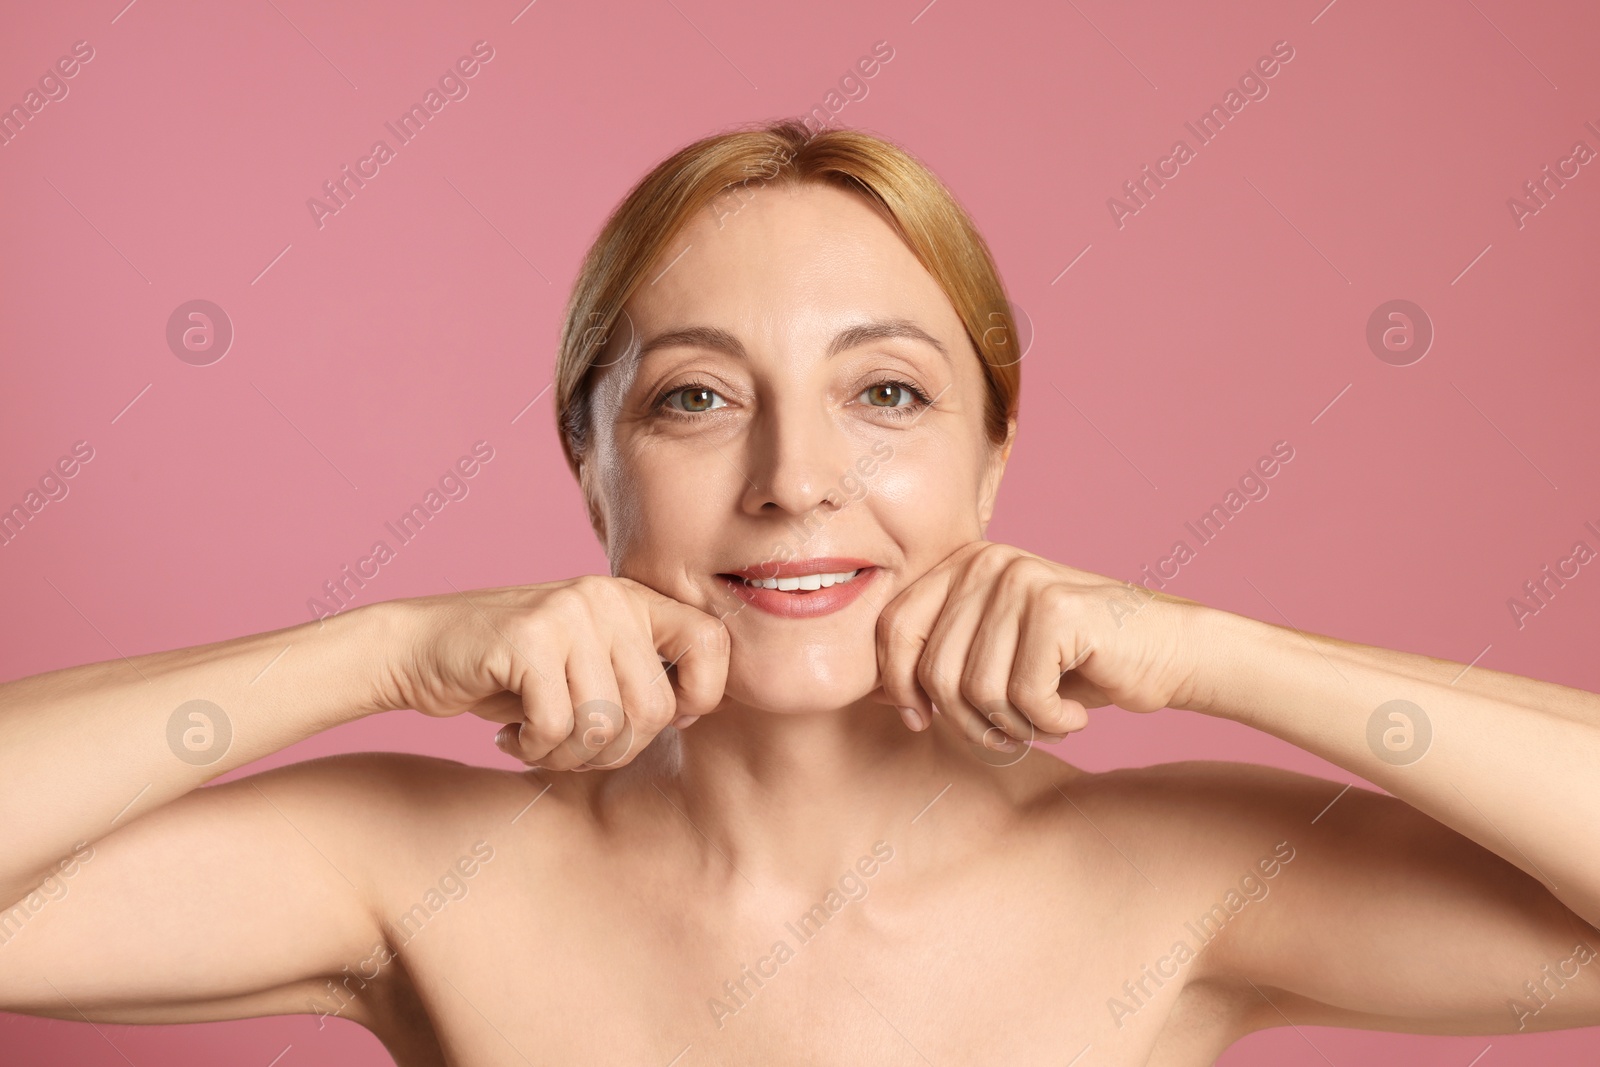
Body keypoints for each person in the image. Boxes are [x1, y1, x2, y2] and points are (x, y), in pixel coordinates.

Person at [2, 118, 1598, 1067]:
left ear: (991, 460)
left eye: (888, 395)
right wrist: (379, 649)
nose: (792, 479)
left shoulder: (1184, 877)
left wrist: (1215, 652)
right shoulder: (407, 870)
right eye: (693, 399)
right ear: (590, 463)